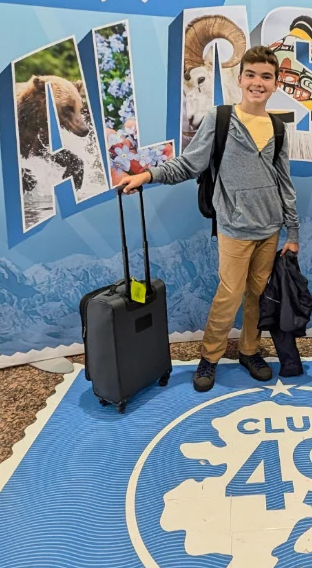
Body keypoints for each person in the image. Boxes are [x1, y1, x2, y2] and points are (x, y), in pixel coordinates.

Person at [119, 45, 298, 392]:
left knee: (257, 295)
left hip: (270, 228)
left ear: (276, 83)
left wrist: (293, 229)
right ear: (240, 78)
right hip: (234, 227)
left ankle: (249, 350)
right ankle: (210, 357)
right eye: (251, 74)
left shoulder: (277, 128)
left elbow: (285, 182)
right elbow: (189, 164)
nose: (257, 82)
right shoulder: (221, 119)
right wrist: (147, 176)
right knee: (229, 294)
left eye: (266, 76)